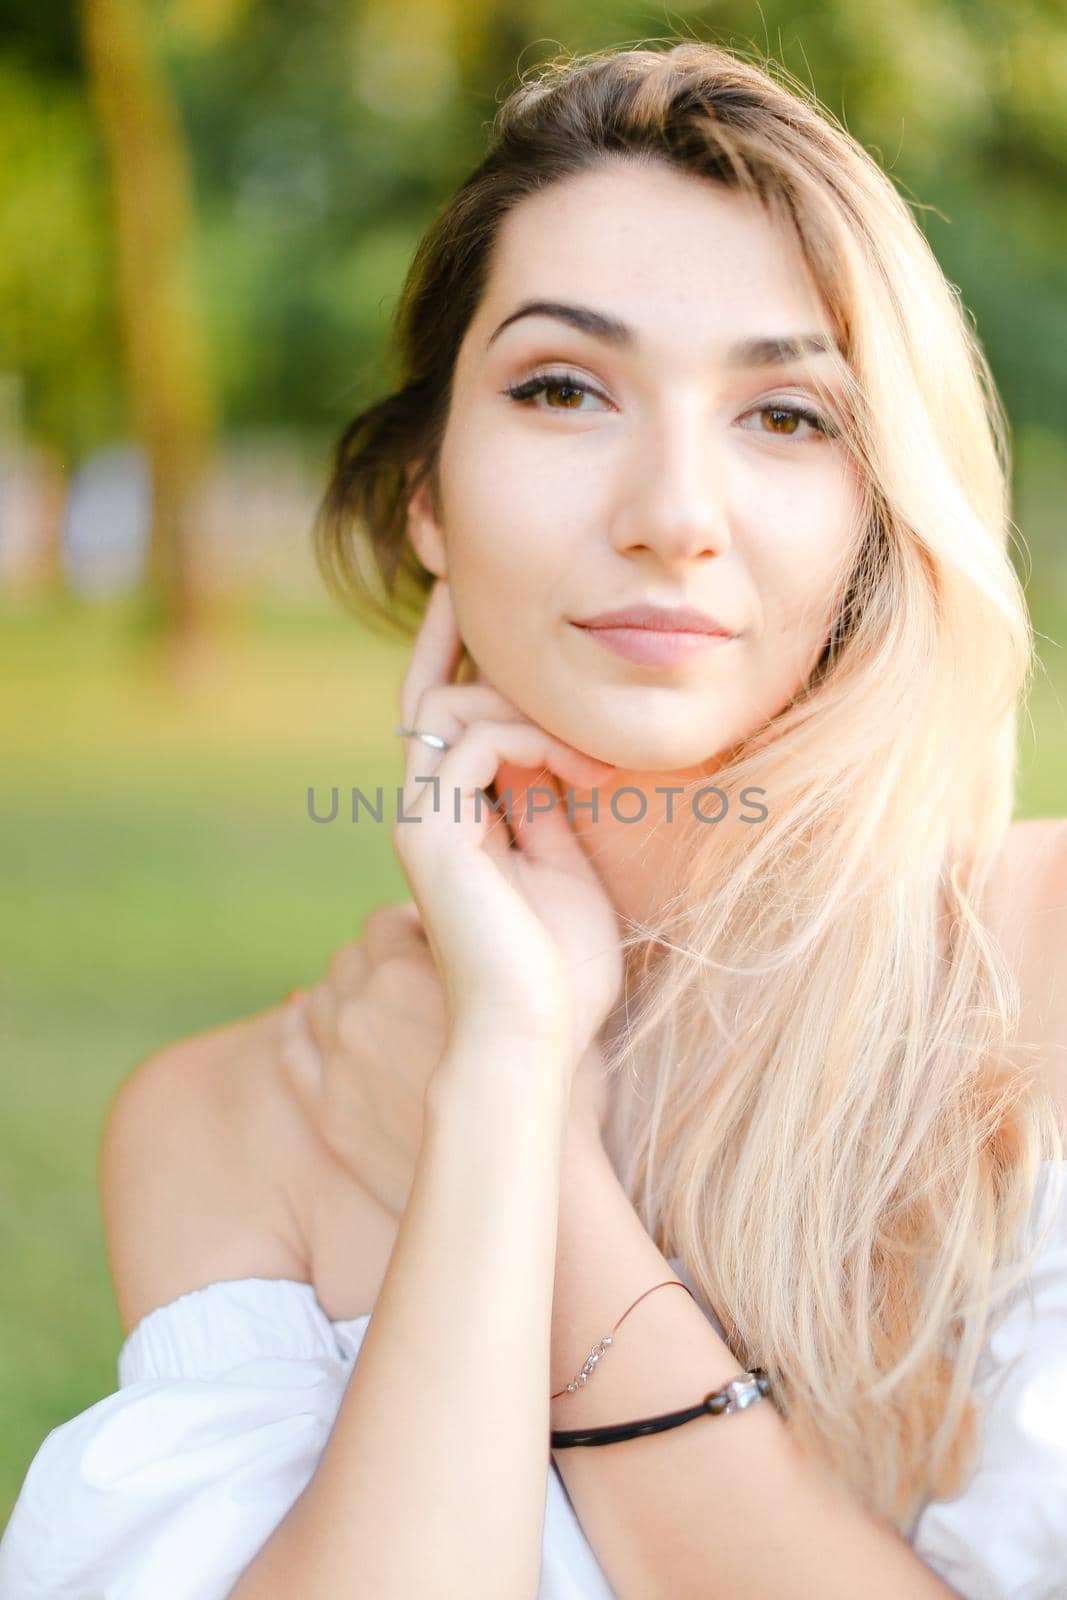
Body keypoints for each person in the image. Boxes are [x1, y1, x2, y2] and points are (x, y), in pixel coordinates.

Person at [3, 36, 1066, 1600]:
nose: (672, 517)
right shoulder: (233, 1122)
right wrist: (500, 1067)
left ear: (879, 507)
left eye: (786, 415)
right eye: (565, 389)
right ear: (427, 487)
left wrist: (554, 1209)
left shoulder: (1034, 977)